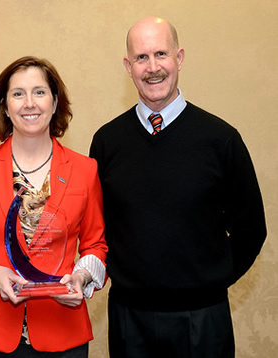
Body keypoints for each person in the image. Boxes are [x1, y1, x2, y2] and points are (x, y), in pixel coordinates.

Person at [90, 16, 267, 358]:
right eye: (141, 58)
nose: (152, 67)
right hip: (130, 318)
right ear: (128, 66)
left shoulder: (221, 140)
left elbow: (251, 228)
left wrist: (209, 282)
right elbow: (97, 227)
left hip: (204, 319)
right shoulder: (107, 142)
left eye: (161, 54)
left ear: (180, 58)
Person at [0, 56, 107, 357]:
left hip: (63, 331)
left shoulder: (85, 169)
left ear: (54, 103)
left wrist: (80, 277)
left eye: (39, 92)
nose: (29, 103)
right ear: (5, 106)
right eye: (18, 93)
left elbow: (95, 245)